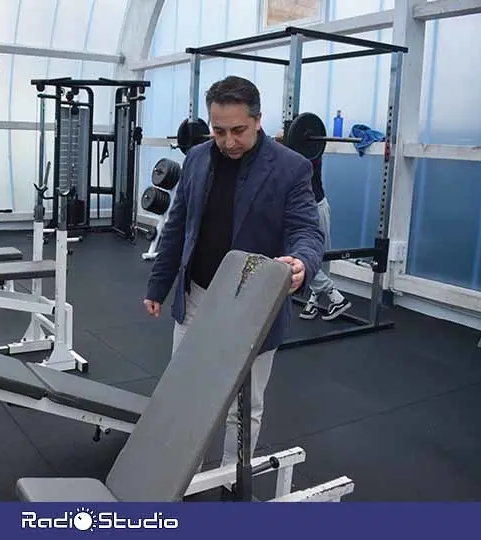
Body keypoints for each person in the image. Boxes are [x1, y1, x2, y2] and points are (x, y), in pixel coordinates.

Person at [143, 76, 325, 485]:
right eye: (219, 130)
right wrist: (158, 285)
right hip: (197, 296)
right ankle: (179, 474)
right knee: (183, 392)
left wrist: (302, 263)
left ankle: (229, 480)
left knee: (244, 407)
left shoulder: (292, 168)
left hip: (254, 306)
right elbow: (177, 227)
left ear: (258, 121)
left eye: (238, 130)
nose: (228, 141)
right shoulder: (197, 159)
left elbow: (307, 231)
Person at [296, 156, 352, 321]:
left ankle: (328, 295)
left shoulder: (307, 149)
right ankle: (326, 296)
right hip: (307, 208)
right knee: (308, 255)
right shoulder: (290, 148)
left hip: (316, 206)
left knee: (321, 255)